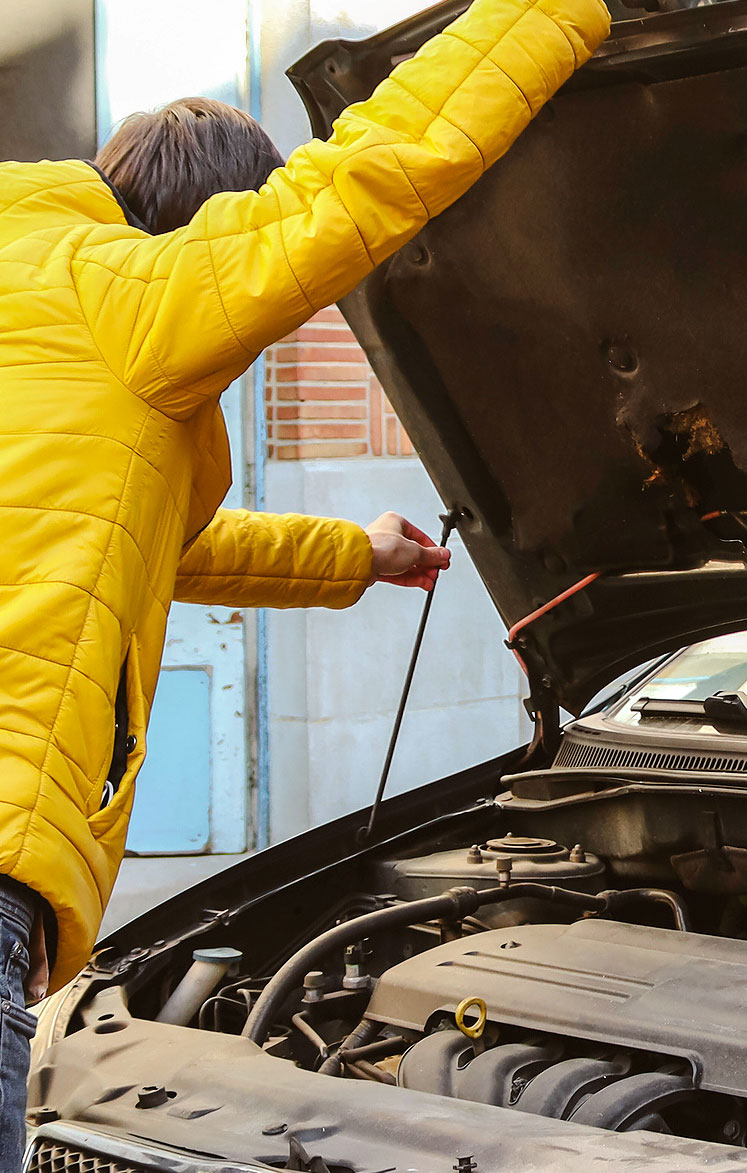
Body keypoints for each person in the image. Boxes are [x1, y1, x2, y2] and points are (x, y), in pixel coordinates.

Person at [0, 0, 610, 1160]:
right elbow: (368, 176)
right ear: (207, 232)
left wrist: (354, 557)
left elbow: (127, 538)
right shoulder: (135, 291)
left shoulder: (25, 288)